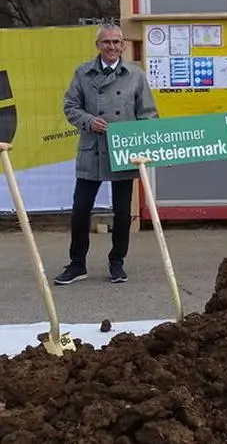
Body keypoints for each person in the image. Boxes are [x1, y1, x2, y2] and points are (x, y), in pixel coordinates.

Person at [55, 24, 158, 285]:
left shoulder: (135, 75)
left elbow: (148, 114)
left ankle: (117, 262)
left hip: (123, 152)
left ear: (123, 46)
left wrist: (146, 143)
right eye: (106, 42)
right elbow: (70, 106)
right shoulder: (83, 73)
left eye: (116, 42)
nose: (112, 46)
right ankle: (77, 264)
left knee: (122, 213)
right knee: (80, 210)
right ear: (98, 45)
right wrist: (89, 121)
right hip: (92, 150)